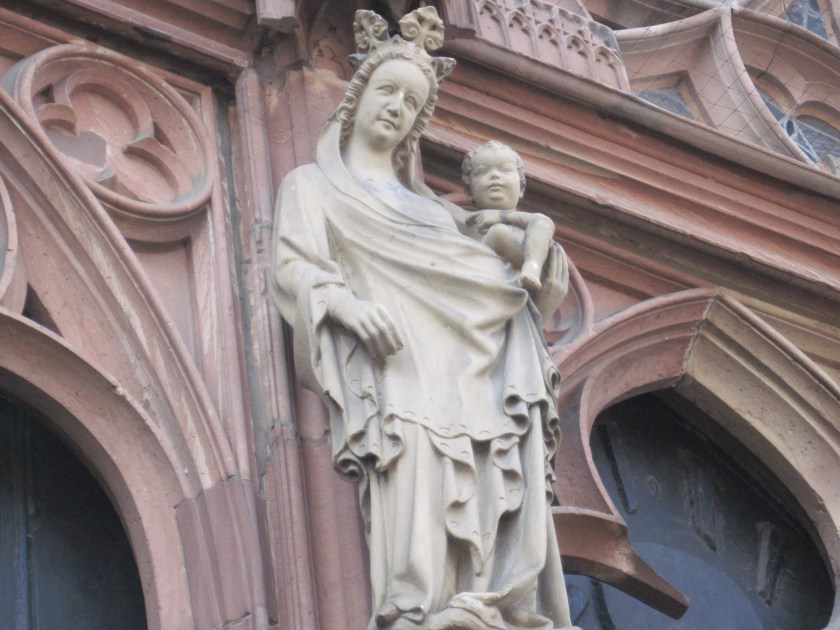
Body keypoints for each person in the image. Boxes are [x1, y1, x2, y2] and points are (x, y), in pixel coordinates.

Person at [271, 8, 578, 630]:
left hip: (478, 369)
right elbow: (294, 266)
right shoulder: (312, 186)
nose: (396, 107)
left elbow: (496, 272)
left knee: (490, 482)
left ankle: (488, 600)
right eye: (387, 90)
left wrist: (538, 268)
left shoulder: (438, 213)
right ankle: (417, 608)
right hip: (399, 368)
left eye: (411, 102)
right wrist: (346, 304)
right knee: (414, 476)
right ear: (357, 97)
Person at [462, 141, 556, 291]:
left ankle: (532, 267)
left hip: (533, 269)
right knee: (498, 232)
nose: (494, 175)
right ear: (469, 190)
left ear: (522, 187)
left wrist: (502, 216)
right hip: (484, 279)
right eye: (482, 171)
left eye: (505, 170)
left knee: (541, 224)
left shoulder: (528, 221)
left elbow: (544, 223)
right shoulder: (467, 218)